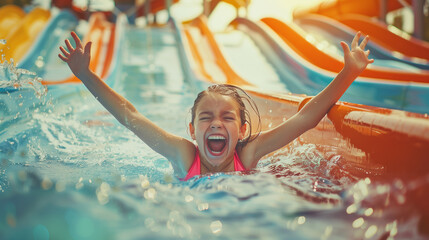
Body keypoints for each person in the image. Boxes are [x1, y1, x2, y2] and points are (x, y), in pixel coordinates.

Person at [58, 31, 373, 180]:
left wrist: (348, 73)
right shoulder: (184, 155)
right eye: (206, 118)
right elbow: (131, 116)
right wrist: (86, 76)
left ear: (243, 130)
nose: (216, 124)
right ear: (192, 130)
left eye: (227, 118)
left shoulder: (247, 154)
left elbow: (304, 119)